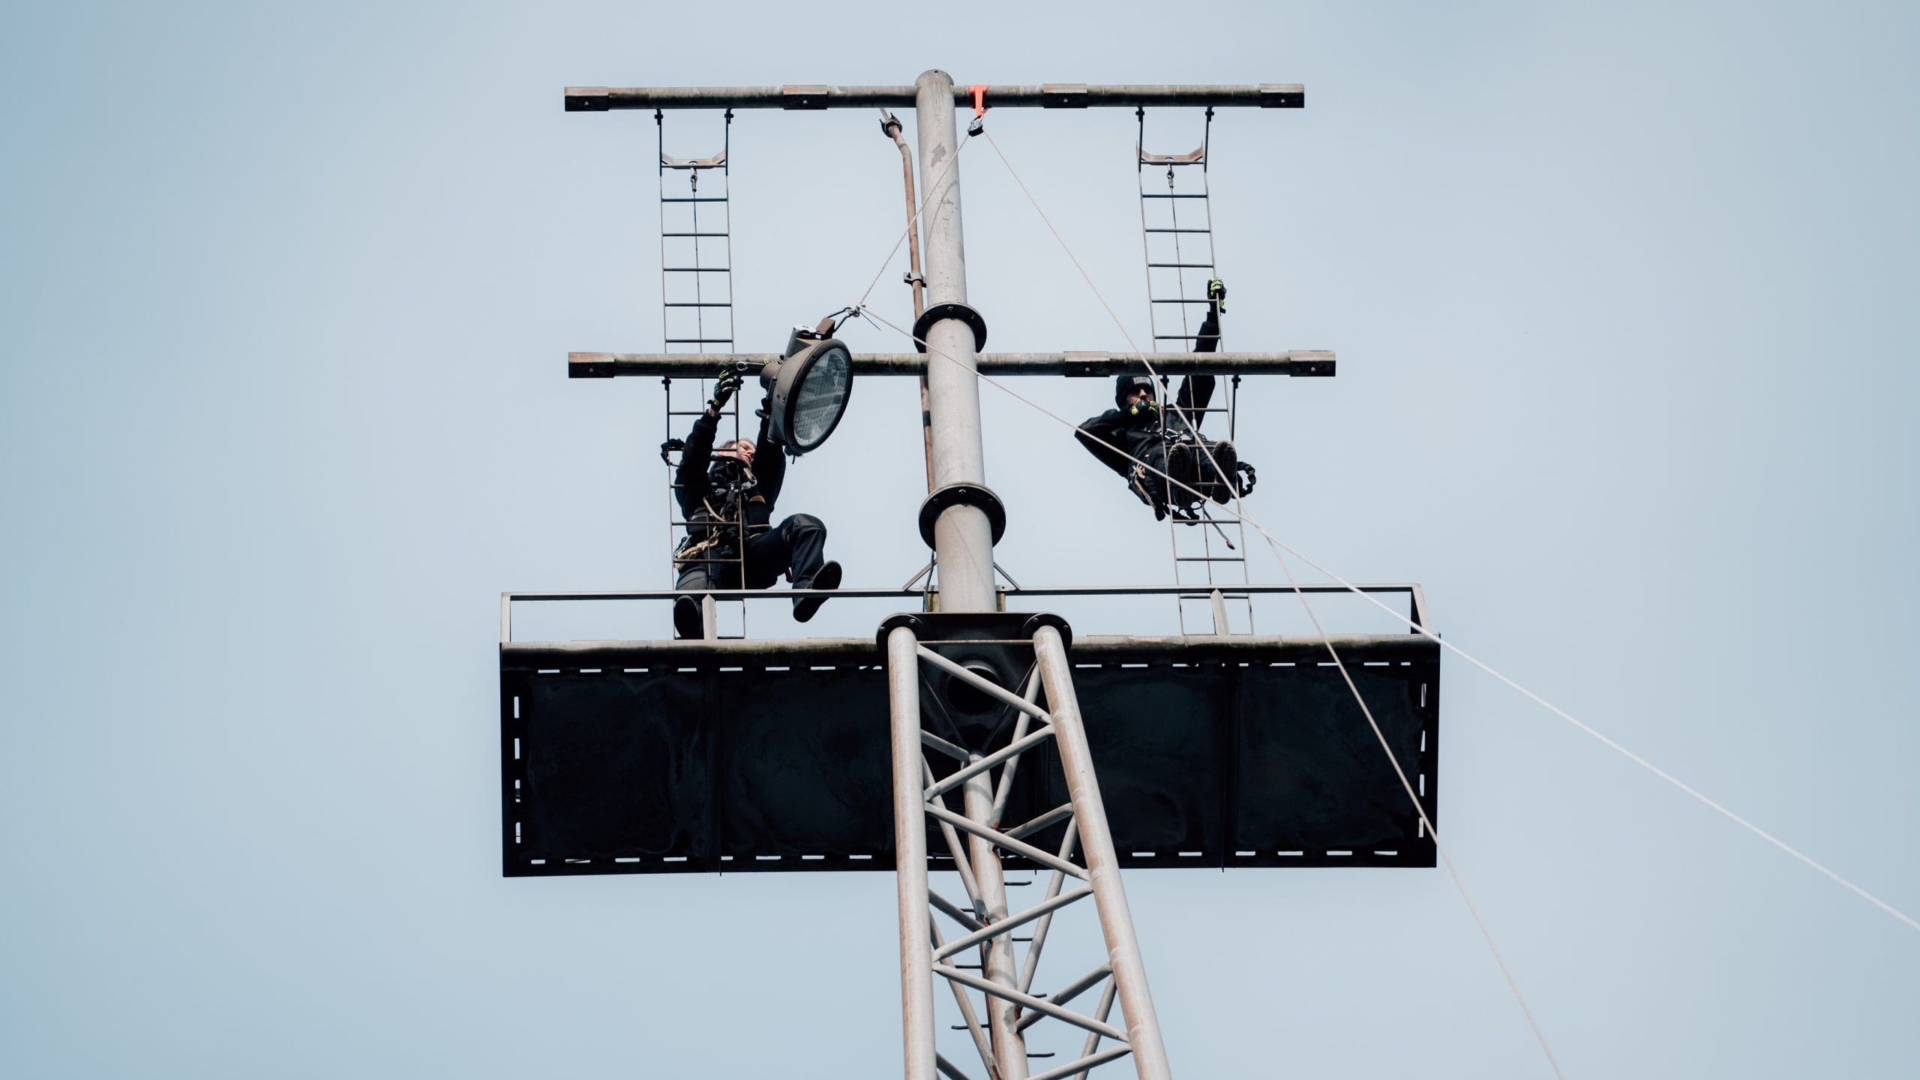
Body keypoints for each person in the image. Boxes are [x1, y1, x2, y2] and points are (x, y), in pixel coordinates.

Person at [671, 367, 841, 639]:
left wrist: (773, 406)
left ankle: (807, 592)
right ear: (723, 452)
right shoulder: (698, 489)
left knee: (807, 526)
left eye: (752, 449)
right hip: (710, 555)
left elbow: (770, 453)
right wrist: (713, 411)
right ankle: (693, 629)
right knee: (695, 584)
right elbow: (693, 459)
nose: (750, 451)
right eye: (743, 447)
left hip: (754, 555)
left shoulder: (758, 486)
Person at [1075, 278, 1241, 518]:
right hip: (1155, 473)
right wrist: (1128, 416)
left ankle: (1220, 479)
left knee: (1204, 447)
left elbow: (1200, 371)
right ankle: (1176, 485)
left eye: (1147, 390)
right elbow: (1085, 432)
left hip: (1195, 470)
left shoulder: (1177, 413)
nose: (1143, 394)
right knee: (1161, 454)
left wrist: (1213, 315)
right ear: (1124, 400)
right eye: (1135, 392)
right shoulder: (1122, 437)